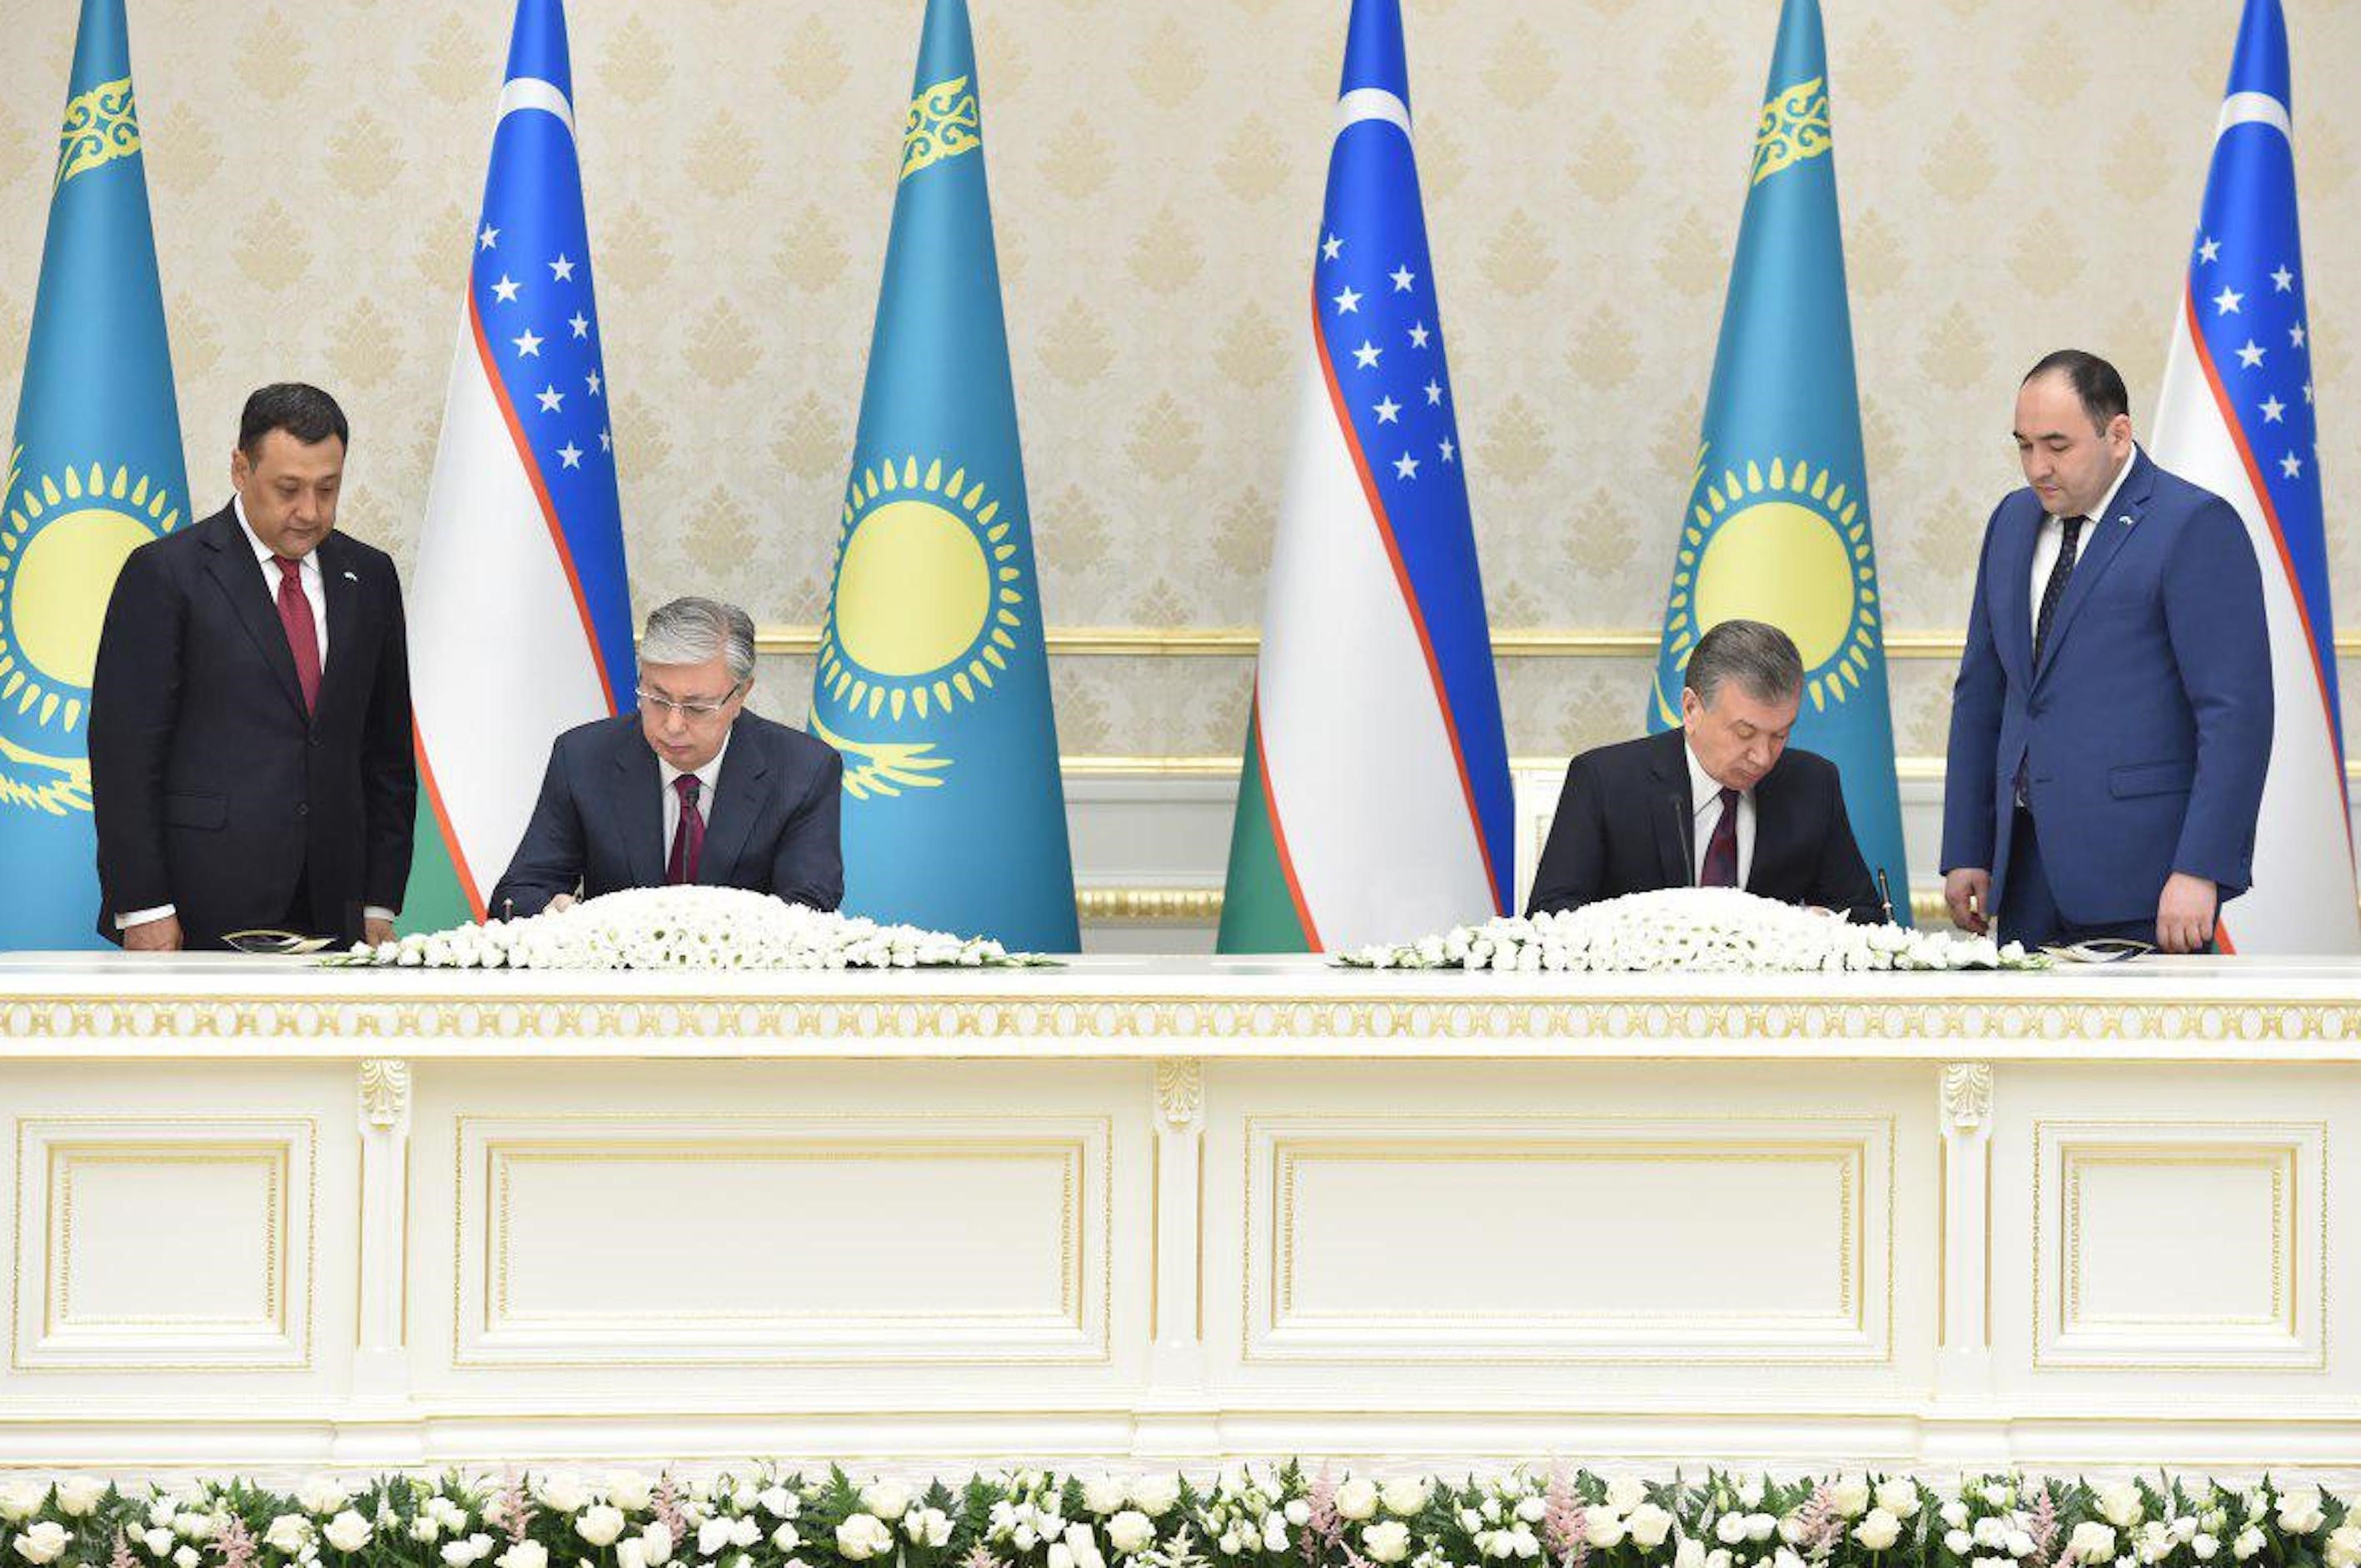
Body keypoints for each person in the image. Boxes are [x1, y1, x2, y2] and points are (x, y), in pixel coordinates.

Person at [1940, 350, 2272, 953]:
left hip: (2148, 878)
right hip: (2024, 872)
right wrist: (1967, 845)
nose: (2035, 467)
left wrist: (2201, 867)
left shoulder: (2192, 524)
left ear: (2117, 434)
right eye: (2023, 445)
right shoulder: (2010, 522)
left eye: (2056, 446)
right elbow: (1981, 692)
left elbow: (2234, 714)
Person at [90, 384, 415, 950]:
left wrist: (379, 897)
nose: (310, 511)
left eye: (327, 488)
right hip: (199, 903)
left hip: (335, 905)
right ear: (241, 469)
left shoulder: (370, 576)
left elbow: (386, 752)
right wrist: (143, 905)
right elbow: (125, 759)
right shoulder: (166, 574)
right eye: (288, 489)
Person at [490, 596, 844, 918]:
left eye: (697, 707)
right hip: (617, 982)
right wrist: (560, 913)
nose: (673, 725)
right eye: (657, 699)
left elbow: (808, 908)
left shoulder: (803, 769)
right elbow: (518, 894)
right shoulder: (583, 757)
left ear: (741, 695)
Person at [1527, 619, 1884, 922]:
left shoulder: (1812, 784)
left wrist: (1811, 926)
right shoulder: (1605, 781)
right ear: (1691, 708)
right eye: (1745, 733)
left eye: (1780, 735)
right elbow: (1551, 914)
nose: (1762, 756)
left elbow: (1864, 916)